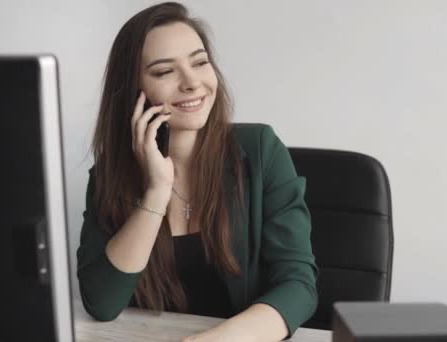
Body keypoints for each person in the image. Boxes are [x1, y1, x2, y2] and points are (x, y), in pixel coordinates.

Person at [77, 2, 318, 341]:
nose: (192, 83)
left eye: (200, 62)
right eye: (165, 72)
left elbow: (298, 287)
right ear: (133, 92)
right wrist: (157, 191)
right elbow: (102, 303)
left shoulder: (260, 150)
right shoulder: (109, 176)